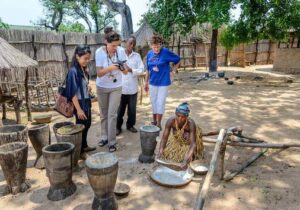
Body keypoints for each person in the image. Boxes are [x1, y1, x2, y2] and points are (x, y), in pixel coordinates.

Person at [95, 27, 128, 152]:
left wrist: (120, 68)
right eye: (113, 46)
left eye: (117, 45)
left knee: (112, 114)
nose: (115, 48)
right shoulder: (99, 52)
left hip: (116, 87)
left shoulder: (121, 51)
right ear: (106, 42)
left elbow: (125, 72)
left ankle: (112, 141)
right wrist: (111, 67)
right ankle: (104, 137)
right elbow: (99, 73)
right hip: (102, 87)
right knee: (103, 114)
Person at [65, 45, 96, 159]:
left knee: (87, 124)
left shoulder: (82, 69)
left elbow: (80, 86)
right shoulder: (73, 71)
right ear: (77, 56)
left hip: (85, 100)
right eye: (85, 58)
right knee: (81, 126)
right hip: (79, 103)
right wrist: (78, 109)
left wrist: (87, 88)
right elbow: (72, 93)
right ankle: (81, 151)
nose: (87, 61)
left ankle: (85, 145)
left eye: (89, 59)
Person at [144, 34, 181, 130]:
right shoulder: (149, 54)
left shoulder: (165, 52)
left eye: (158, 46)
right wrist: (146, 82)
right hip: (152, 82)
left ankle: (159, 123)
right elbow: (148, 69)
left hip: (163, 82)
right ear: (151, 45)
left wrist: (173, 70)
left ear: (161, 45)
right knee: (153, 101)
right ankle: (154, 121)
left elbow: (178, 59)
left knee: (160, 102)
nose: (156, 48)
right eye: (154, 46)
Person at [156, 102, 204, 170]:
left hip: (188, 142)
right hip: (177, 140)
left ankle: (186, 156)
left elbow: (193, 144)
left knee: (190, 157)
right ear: (175, 114)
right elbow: (164, 139)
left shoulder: (191, 124)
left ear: (187, 117)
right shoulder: (171, 121)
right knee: (168, 156)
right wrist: (160, 151)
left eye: (183, 117)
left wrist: (186, 160)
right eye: (178, 116)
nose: (180, 119)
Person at [116, 36, 144, 135]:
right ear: (126, 43)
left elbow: (141, 70)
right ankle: (117, 127)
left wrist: (131, 70)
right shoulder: (119, 54)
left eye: (133, 43)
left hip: (132, 88)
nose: (131, 45)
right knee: (120, 109)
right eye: (130, 43)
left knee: (132, 109)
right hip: (121, 88)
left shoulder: (137, 56)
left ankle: (130, 125)